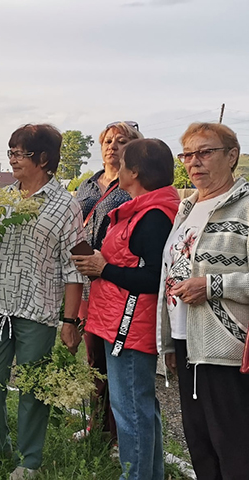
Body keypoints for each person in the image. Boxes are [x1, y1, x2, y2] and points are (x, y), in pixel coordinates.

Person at [0, 124, 85, 480]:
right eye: (11, 152)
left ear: (44, 158)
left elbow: (75, 267)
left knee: (34, 386)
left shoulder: (66, 206)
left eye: (20, 153)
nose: (13, 159)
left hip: (39, 310)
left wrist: (70, 320)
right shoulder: (2, 198)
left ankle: (30, 459)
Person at [73, 138, 179, 480]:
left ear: (133, 172)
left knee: (131, 411)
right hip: (119, 322)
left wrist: (104, 269)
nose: (115, 169)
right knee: (139, 409)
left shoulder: (152, 217)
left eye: (121, 164)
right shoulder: (142, 209)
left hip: (130, 330)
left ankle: (136, 476)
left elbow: (153, 278)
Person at [157, 123, 249, 480]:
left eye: (205, 152)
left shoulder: (244, 207)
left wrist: (212, 285)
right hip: (186, 341)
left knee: (235, 446)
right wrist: (168, 341)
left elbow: (208, 280)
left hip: (226, 345)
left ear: (232, 156)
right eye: (188, 155)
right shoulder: (187, 207)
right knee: (201, 444)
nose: (194, 162)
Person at [73, 121, 143, 443]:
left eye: (121, 141)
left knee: (117, 360)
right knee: (93, 359)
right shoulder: (87, 186)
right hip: (86, 279)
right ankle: (96, 427)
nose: (112, 146)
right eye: (108, 141)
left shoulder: (134, 185)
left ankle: (118, 434)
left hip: (116, 280)